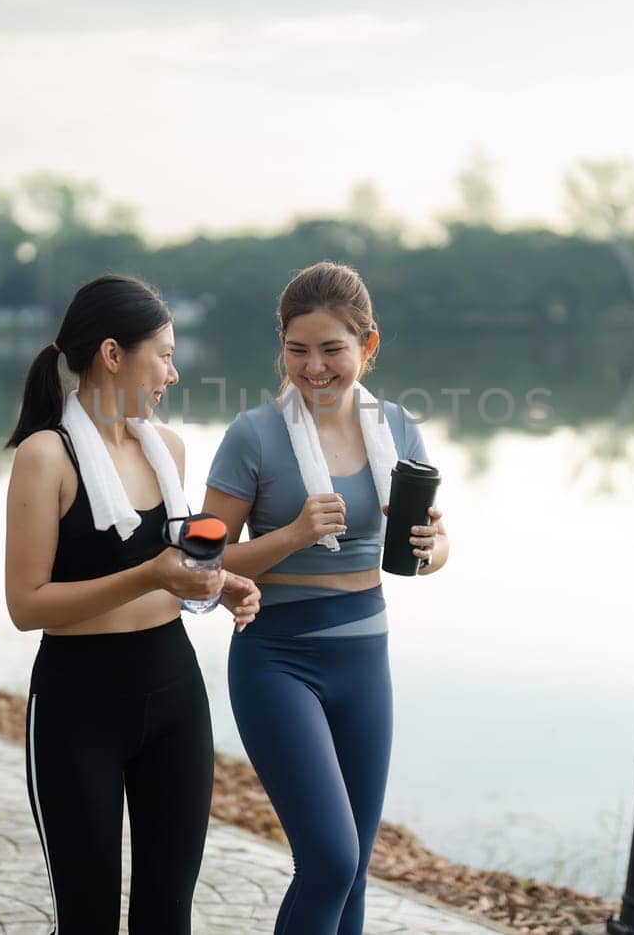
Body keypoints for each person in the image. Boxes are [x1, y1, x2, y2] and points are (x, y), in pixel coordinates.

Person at [4, 274, 261, 935]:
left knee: (167, 916)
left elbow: (178, 563)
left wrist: (219, 581)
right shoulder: (46, 457)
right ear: (113, 354)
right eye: (164, 354)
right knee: (87, 920)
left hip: (174, 694)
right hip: (76, 706)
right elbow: (27, 604)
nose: (173, 373)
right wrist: (150, 574)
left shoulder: (166, 447)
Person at [203, 261, 450, 934]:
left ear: (367, 346)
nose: (315, 367)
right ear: (280, 345)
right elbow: (202, 562)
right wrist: (290, 535)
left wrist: (432, 544)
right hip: (276, 662)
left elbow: (435, 547)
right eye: (298, 349)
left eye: (332, 349)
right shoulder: (251, 435)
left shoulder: (398, 429)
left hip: (365, 659)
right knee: (331, 859)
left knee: (355, 868)